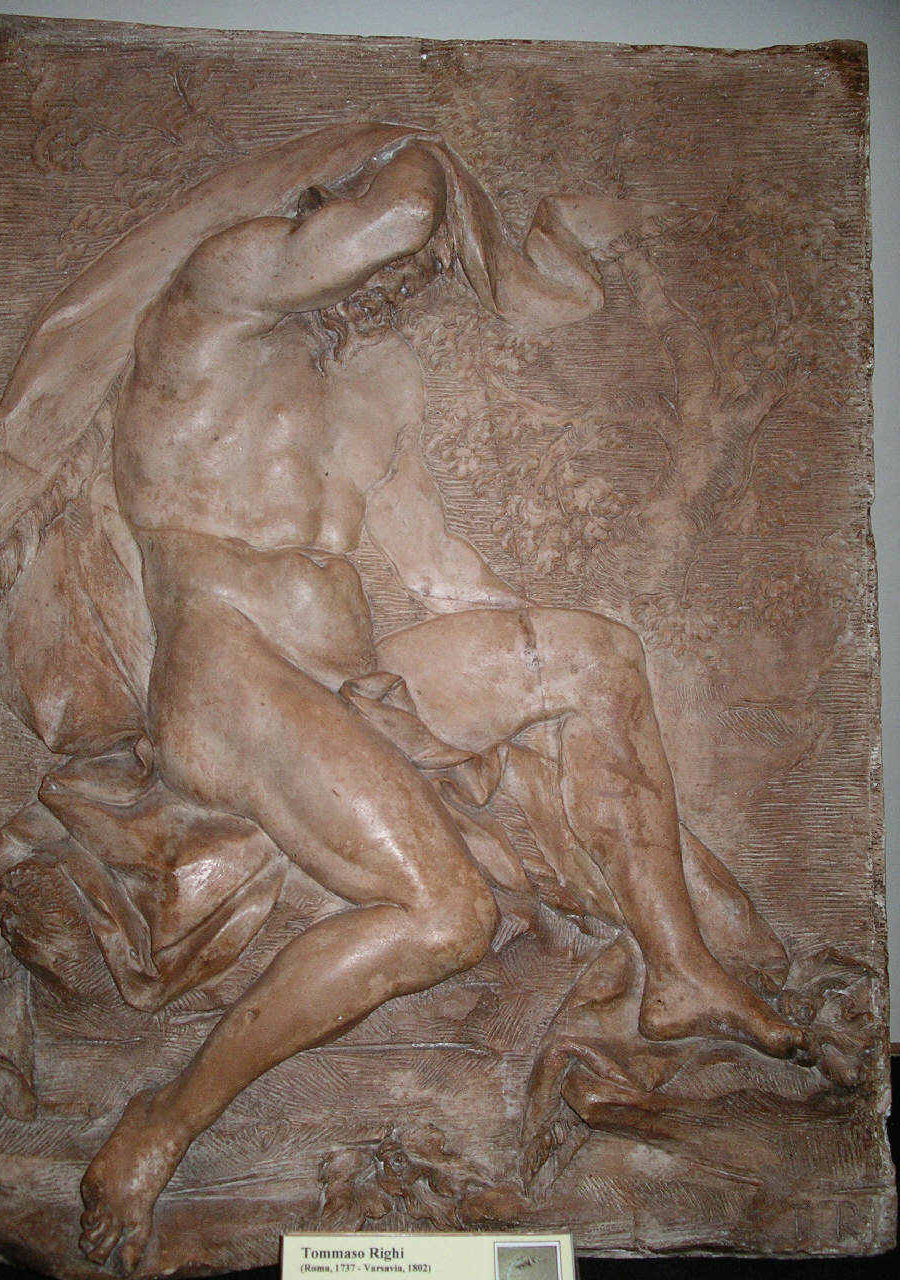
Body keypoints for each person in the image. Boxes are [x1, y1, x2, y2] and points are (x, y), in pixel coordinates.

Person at [75, 139, 804, 1271]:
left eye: (415, 281)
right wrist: (437, 171)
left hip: (352, 672)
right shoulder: (214, 301)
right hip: (228, 670)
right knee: (447, 914)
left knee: (598, 658)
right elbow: (402, 214)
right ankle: (162, 1120)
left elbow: (438, 565)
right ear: (320, 218)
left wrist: (510, 668)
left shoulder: (370, 383)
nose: (398, 287)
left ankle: (679, 970)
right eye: (387, 267)